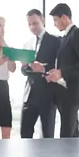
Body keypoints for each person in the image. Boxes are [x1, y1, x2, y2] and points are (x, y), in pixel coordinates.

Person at [48, 3, 79, 138]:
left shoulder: (77, 33)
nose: (55, 24)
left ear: (64, 18)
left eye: (55, 20)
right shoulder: (65, 37)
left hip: (73, 91)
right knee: (72, 132)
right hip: (64, 90)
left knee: (67, 133)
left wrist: (62, 72)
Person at [20, 9, 60, 138]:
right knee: (25, 134)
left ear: (42, 20)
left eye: (35, 23)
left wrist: (43, 68)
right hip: (29, 95)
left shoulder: (55, 41)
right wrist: (25, 66)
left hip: (47, 95)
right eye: (30, 24)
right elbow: (24, 71)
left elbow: (60, 65)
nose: (32, 27)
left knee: (47, 135)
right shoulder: (27, 43)